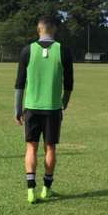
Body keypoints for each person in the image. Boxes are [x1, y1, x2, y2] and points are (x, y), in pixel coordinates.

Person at [14, 16, 74, 204]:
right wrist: (64, 102)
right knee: (50, 147)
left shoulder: (27, 51)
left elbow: (19, 83)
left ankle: (30, 190)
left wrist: (17, 108)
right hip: (52, 108)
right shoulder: (63, 50)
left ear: (38, 29)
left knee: (31, 146)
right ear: (53, 29)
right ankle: (46, 189)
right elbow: (69, 83)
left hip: (31, 107)